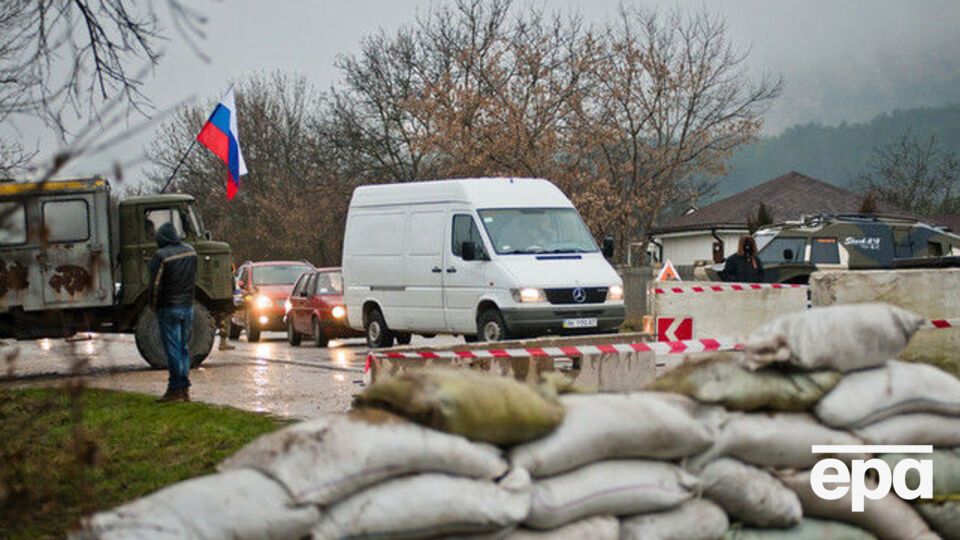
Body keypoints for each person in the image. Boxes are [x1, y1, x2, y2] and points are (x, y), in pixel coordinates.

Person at [148, 223, 198, 402]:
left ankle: (176, 388)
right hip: (188, 306)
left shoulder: (160, 256)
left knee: (172, 350)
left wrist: (153, 305)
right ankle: (184, 390)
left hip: (168, 307)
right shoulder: (190, 251)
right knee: (184, 348)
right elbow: (193, 278)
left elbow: (155, 285)